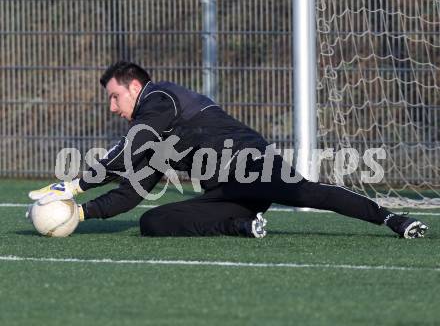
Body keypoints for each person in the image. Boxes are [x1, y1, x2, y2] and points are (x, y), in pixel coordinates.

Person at [29, 61, 428, 239]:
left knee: (306, 192)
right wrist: (79, 213)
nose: (113, 108)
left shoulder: (160, 99)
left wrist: (75, 185)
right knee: (153, 223)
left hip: (250, 162)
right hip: (229, 193)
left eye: (114, 97)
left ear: (135, 86)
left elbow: (128, 149)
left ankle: (391, 218)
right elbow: (130, 189)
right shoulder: (151, 130)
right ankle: (241, 226)